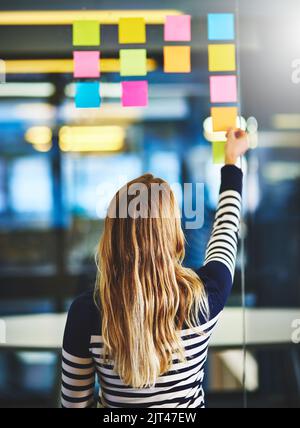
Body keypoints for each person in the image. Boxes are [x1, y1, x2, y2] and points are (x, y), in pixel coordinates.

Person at [61, 128, 249, 408]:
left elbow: (74, 405)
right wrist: (231, 161)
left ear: (112, 237)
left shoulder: (87, 313)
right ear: (171, 235)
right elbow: (226, 228)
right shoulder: (204, 297)